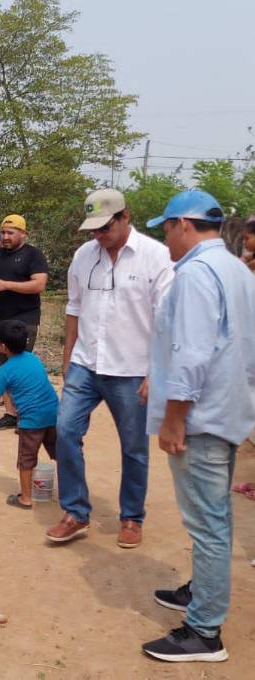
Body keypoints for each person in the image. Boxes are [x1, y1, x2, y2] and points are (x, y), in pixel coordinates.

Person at [141, 190, 255, 663]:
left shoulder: (195, 274)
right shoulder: (235, 268)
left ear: (183, 225)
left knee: (207, 522)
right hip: (226, 409)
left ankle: (204, 631)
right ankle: (202, 591)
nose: (165, 238)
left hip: (200, 417)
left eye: (166, 228)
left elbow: (192, 353)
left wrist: (174, 418)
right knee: (216, 515)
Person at [46, 189, 174, 547]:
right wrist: (68, 358)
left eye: (105, 227)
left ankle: (131, 517)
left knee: (133, 447)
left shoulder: (155, 257)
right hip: (85, 364)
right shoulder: (84, 256)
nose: (98, 235)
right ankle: (75, 512)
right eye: (93, 229)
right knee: (65, 431)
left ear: (125, 217)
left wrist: (156, 372)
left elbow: (166, 320)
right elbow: (74, 307)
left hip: (132, 369)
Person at [0, 214, 49, 430]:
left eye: (10, 233)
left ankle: (27, 414)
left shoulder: (33, 255)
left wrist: (6, 285)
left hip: (25, 318)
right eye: (3, 232)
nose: (5, 237)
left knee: (20, 367)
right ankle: (11, 413)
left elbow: (39, 285)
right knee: (3, 367)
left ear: (23, 234)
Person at [0, 320, 58, 509]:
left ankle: (25, 499)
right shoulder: (33, 359)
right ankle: (70, 491)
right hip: (54, 413)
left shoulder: (4, 371)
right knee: (61, 453)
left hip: (31, 421)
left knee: (26, 461)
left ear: (3, 346)